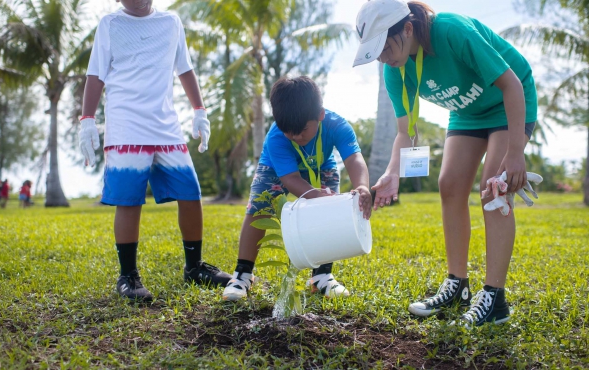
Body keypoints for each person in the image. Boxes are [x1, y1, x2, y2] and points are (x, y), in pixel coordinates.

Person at [353, 0, 537, 327]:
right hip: (467, 114)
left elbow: (512, 84)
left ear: (407, 29)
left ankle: (494, 299)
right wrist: (392, 173)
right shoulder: (394, 69)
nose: (381, 57)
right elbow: (404, 132)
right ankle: (457, 286)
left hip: (507, 103)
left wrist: (515, 152)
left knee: (492, 190)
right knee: (449, 185)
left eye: (383, 46)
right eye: (374, 51)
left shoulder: (452, 31)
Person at [79, 0, 231, 302]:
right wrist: (86, 120)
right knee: (129, 199)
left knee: (190, 192)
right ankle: (128, 276)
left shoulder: (171, 23)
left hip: (165, 124)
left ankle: (194, 267)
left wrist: (199, 110)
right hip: (125, 123)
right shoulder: (110, 24)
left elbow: (185, 69)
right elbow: (95, 75)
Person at [222, 76, 372, 301]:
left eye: (302, 130)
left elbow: (353, 159)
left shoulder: (337, 125)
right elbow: (290, 178)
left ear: (320, 115)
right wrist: (314, 195)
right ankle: (242, 275)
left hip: (321, 166)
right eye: (288, 131)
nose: (295, 136)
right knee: (258, 209)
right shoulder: (276, 137)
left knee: (329, 213)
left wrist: (361, 186)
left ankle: (321, 277)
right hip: (276, 169)